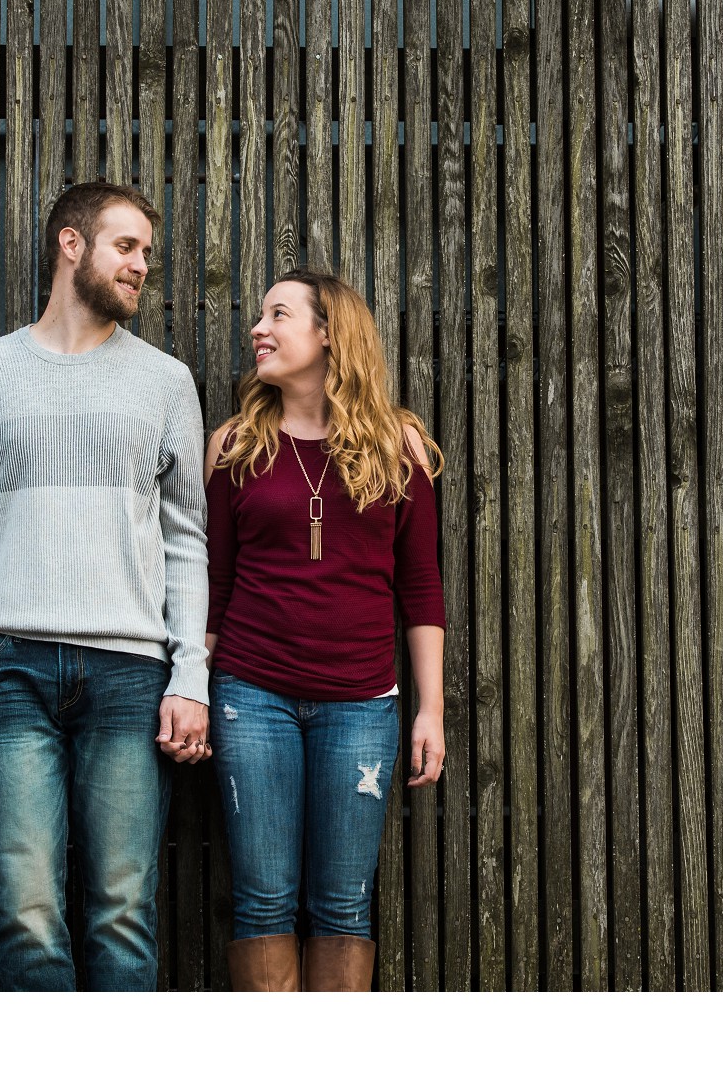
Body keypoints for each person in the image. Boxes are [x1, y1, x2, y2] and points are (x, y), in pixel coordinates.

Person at [0, 181, 211, 991]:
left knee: (122, 915)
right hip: (6, 674)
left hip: (128, 674)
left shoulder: (165, 382)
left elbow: (187, 541)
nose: (142, 265)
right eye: (126, 246)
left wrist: (191, 676)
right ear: (70, 245)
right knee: (27, 915)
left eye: (147, 252)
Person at [204, 267, 448, 992]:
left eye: (279, 314)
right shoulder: (235, 446)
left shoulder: (398, 446)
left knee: (343, 907)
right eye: (260, 313)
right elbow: (212, 586)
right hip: (251, 699)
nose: (259, 328)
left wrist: (429, 708)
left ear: (328, 332)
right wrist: (191, 685)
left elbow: (421, 587)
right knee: (263, 902)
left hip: (362, 704)